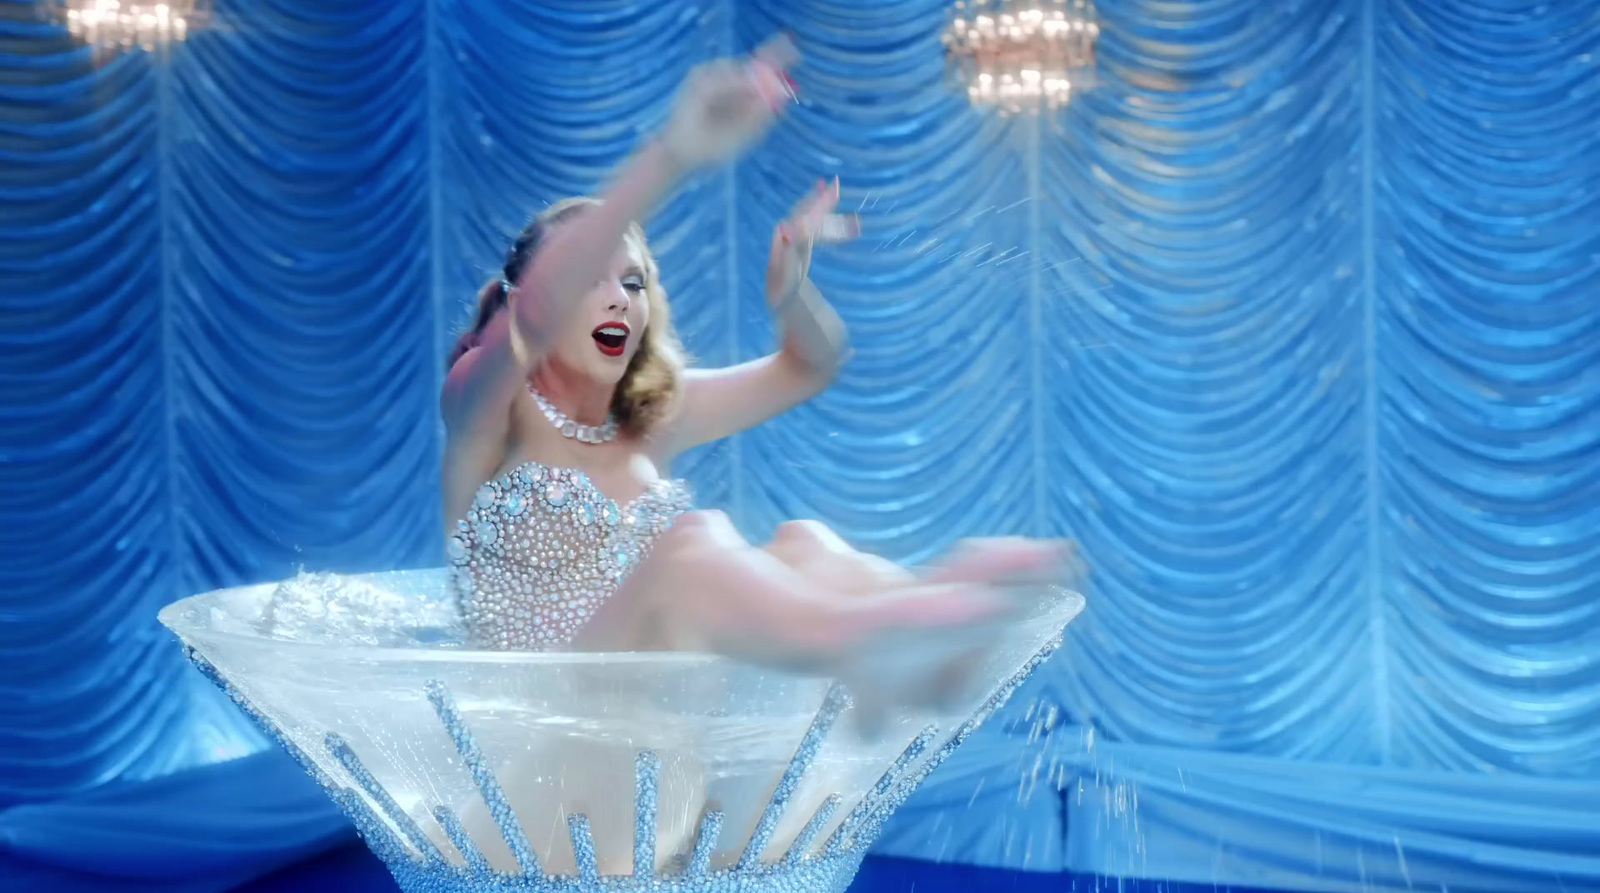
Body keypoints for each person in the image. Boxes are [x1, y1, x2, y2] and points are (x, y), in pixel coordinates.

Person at [439, 36, 1073, 708]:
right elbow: (538, 311)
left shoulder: (651, 417)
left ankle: (928, 630)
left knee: (804, 543)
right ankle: (873, 640)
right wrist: (674, 154)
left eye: (633, 281)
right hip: (540, 721)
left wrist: (791, 290)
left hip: (647, 705)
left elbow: (811, 366)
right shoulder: (483, 413)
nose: (620, 297)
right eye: (592, 280)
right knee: (691, 545)